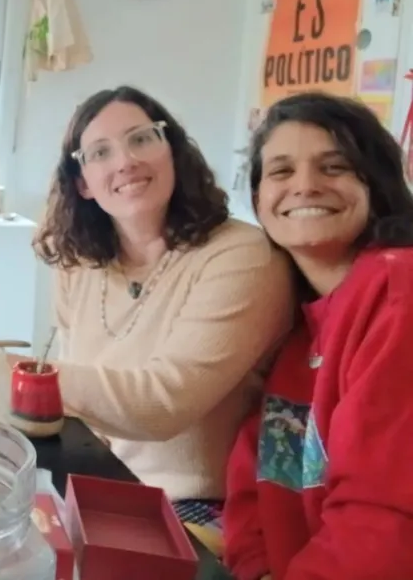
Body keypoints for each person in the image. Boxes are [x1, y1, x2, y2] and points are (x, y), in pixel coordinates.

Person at [30, 86, 294, 534]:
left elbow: (162, 404)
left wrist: (15, 376)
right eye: (99, 152)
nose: (125, 161)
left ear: (171, 151)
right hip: (103, 486)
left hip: (198, 510)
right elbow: (77, 404)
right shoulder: (81, 264)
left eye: (141, 139)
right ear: (82, 184)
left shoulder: (241, 255)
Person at [224, 93, 413, 580]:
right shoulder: (294, 327)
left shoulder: (398, 290)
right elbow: (254, 483)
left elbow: (385, 520)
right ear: (260, 198)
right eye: (281, 172)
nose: (305, 186)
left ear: (378, 184)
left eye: (334, 167)